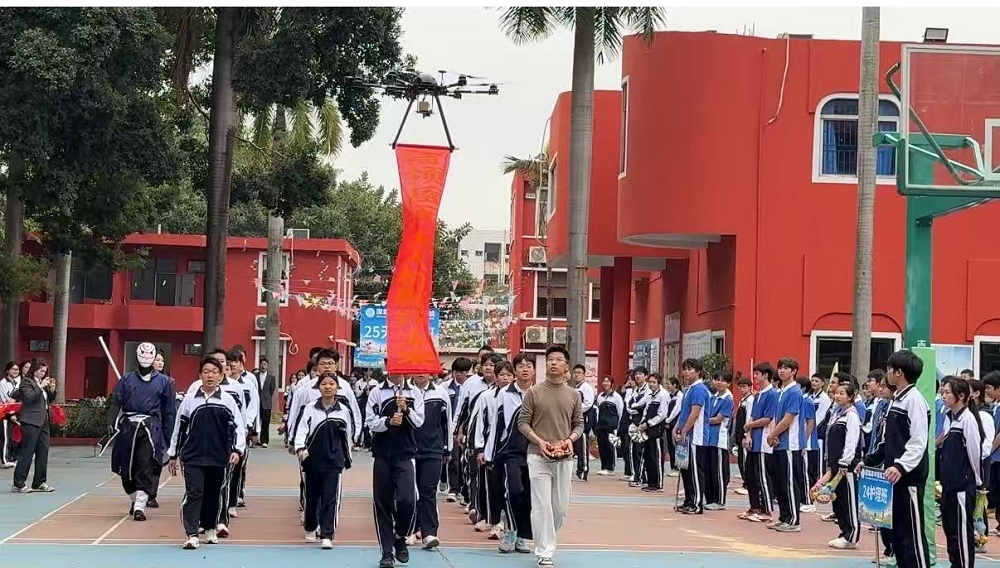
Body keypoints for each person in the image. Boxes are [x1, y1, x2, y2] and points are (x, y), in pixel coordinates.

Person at [168, 357, 246, 550]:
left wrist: (237, 450)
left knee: (213, 494)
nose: (210, 375)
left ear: (220, 375)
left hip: (219, 457)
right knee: (194, 493)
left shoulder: (228, 400)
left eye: (214, 372)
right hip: (192, 457)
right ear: (200, 375)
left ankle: (210, 528)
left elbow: (238, 427)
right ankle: (192, 534)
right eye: (206, 371)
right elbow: (179, 428)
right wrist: (173, 455)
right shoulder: (189, 400)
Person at [864, 349, 931, 568]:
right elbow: (889, 441)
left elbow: (918, 442)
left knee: (912, 535)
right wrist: (869, 460)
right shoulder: (896, 400)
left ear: (899, 372)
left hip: (909, 478)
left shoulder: (915, 401)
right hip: (894, 478)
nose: (888, 373)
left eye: (890, 369)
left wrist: (901, 466)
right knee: (899, 534)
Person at [517, 345, 583, 567]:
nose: (553, 362)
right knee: (541, 504)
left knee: (560, 508)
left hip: (564, 457)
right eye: (550, 359)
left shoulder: (573, 394)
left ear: (566, 366)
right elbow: (523, 423)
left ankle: (545, 537)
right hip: (537, 456)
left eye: (558, 359)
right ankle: (545, 551)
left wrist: (570, 440)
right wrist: (539, 441)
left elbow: (579, 424)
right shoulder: (534, 392)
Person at [106, 342, 177, 521]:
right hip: (128, 428)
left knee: (145, 466)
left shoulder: (164, 382)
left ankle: (140, 506)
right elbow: (116, 402)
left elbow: (169, 411)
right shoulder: (126, 380)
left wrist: (170, 438)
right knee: (126, 468)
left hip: (150, 429)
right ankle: (134, 499)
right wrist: (110, 421)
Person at [367, 371, 426, 568]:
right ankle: (386, 552)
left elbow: (419, 422)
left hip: (405, 454)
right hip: (382, 454)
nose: (397, 372)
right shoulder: (376, 392)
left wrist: (406, 410)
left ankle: (400, 535)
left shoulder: (414, 393)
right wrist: (388, 422)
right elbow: (370, 421)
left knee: (407, 500)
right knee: (382, 503)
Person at [293, 372, 353, 550]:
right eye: (324, 384)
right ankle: (311, 527)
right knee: (311, 497)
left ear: (337, 387)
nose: (328, 387)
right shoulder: (310, 408)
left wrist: (347, 458)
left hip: (334, 462)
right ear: (318, 387)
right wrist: (300, 448)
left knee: (330, 498)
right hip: (312, 461)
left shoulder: (343, 411)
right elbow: (302, 430)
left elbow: (347, 437)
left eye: (331, 384)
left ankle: (327, 534)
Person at [489, 354, 534, 554]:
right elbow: (496, 425)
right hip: (510, 452)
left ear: (534, 370)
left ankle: (522, 535)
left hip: (534, 452)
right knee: (513, 491)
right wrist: (490, 454)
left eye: (529, 366)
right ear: (515, 370)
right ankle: (510, 530)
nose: (525, 369)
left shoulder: (538, 393)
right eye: (521, 366)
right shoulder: (504, 394)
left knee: (529, 495)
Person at [938, 377, 982, 568]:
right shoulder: (949, 418)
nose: (943, 395)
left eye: (947, 392)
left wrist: (976, 480)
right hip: (948, 487)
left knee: (962, 532)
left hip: (962, 487)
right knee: (950, 530)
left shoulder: (968, 420)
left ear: (961, 396)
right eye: (942, 392)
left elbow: (974, 452)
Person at [814, 380, 861, 549]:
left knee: (849, 501)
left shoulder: (851, 416)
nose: (837, 396)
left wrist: (845, 462)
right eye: (836, 393)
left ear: (850, 397)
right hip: (835, 465)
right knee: (838, 501)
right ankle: (844, 532)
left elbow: (851, 441)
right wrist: (829, 466)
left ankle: (852, 536)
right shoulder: (837, 414)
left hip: (846, 467)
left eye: (842, 393)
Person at [410, 372, 452, 550]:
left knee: (428, 490)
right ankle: (410, 530)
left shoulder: (440, 393)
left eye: (424, 370)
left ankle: (429, 533)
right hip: (409, 450)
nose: (421, 374)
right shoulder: (405, 392)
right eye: (417, 370)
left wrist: (447, 449)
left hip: (433, 449)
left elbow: (447, 422)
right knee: (410, 493)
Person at [764, 357, 804, 532]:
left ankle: (794, 520)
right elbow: (776, 417)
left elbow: (788, 419)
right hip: (779, 442)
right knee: (780, 483)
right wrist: (774, 435)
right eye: (780, 367)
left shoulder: (794, 392)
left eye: (786, 368)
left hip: (790, 444)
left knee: (789, 483)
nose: (782, 370)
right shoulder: (780, 392)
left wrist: (772, 434)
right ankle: (784, 517)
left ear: (794, 371)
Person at [10, 357, 56, 493]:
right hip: (30, 420)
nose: (43, 373)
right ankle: (19, 482)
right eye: (41, 371)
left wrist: (51, 390)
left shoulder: (42, 382)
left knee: (43, 451)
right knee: (27, 451)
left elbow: (49, 399)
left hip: (43, 420)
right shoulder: (26, 382)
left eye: (45, 371)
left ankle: (39, 481)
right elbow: (28, 398)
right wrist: (40, 387)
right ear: (34, 370)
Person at [740, 362, 777, 523]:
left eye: (757, 374)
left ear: (766, 375)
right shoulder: (757, 395)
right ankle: (754, 507)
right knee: (750, 475)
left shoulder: (772, 394)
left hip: (764, 441)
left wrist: (749, 426)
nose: (754, 377)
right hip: (754, 440)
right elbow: (752, 417)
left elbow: (767, 418)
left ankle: (766, 509)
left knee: (763, 476)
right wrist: (748, 435)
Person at [674, 359, 710, 514]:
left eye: (689, 369)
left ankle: (696, 504)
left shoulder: (699, 389)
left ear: (698, 371)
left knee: (695, 470)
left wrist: (684, 431)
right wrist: (677, 428)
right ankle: (688, 501)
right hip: (686, 435)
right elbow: (684, 412)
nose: (686, 372)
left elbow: (695, 413)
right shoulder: (688, 389)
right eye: (685, 369)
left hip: (696, 436)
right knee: (686, 470)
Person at [442, 357, 472, 502]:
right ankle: (453, 488)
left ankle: (463, 487)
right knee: (453, 458)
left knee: (464, 459)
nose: (459, 374)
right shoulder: (445, 387)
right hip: (451, 427)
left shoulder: (471, 386)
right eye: (456, 371)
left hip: (467, 428)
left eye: (462, 372)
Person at [705, 372, 733, 509]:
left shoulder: (728, 399)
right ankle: (710, 499)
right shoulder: (713, 398)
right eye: (717, 379)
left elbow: (717, 419)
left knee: (719, 471)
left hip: (719, 440)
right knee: (709, 470)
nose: (719, 382)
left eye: (723, 380)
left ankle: (720, 501)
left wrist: (703, 421)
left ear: (728, 383)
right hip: (708, 439)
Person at [638, 373, 670, 493]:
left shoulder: (663, 395)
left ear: (658, 383)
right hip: (648, 431)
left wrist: (649, 423)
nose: (651, 384)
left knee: (656, 457)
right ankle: (651, 483)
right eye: (650, 382)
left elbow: (662, 414)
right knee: (648, 457)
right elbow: (646, 412)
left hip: (657, 431)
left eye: (654, 382)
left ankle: (658, 484)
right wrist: (642, 424)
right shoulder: (649, 395)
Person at [570, 364, 595, 482]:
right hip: (573, 421)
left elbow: (588, 404)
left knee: (582, 447)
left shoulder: (587, 388)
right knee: (575, 446)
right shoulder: (573, 388)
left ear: (584, 375)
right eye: (575, 373)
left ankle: (583, 471)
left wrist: (575, 410)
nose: (576, 375)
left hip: (584, 420)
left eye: (579, 373)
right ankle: (577, 471)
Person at [796, 376, 818, 514]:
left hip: (808, 444)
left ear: (803, 388)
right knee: (800, 472)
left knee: (806, 473)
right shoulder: (801, 400)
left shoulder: (807, 401)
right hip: (801, 443)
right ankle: (802, 498)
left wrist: (804, 440)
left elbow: (810, 423)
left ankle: (809, 501)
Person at [594, 376, 624, 476]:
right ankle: (604, 467)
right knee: (602, 446)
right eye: (604, 381)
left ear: (612, 384)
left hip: (611, 425)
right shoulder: (600, 396)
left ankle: (610, 468)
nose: (606, 383)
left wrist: (618, 426)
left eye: (608, 381)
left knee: (610, 446)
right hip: (601, 425)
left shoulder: (616, 397)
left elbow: (620, 412)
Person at [627, 367, 651, 485]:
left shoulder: (648, 389)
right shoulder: (635, 390)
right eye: (636, 374)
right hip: (634, 421)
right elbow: (629, 405)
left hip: (643, 422)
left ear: (645, 376)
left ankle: (642, 476)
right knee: (633, 449)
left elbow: (643, 404)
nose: (637, 376)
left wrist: (634, 406)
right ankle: (635, 474)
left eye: (640, 374)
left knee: (642, 450)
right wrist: (634, 407)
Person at [732, 376, 753, 495]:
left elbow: (749, 417)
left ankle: (748, 484)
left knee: (745, 460)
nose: (742, 389)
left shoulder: (750, 400)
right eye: (740, 387)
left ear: (749, 387)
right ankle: (745, 482)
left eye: (744, 387)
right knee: (741, 460)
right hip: (739, 433)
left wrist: (746, 434)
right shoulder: (742, 400)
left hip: (745, 434)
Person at [0, 361, 20, 469]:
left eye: (17, 369)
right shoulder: (3, 383)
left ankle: (9, 457)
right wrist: (11, 413)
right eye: (13, 369)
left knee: (11, 437)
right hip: (5, 413)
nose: (16, 371)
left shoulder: (16, 382)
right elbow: (6, 400)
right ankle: (4, 460)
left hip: (14, 412)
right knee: (5, 437)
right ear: (7, 370)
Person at [663, 376, 684, 476]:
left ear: (675, 385)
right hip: (668, 423)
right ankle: (673, 467)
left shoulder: (680, 396)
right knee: (670, 445)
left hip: (676, 423)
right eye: (666, 384)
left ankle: (678, 467)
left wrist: (668, 419)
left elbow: (676, 410)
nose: (667, 386)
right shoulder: (668, 396)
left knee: (676, 445)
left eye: (669, 384)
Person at [257, 357, 277, 448]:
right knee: (256, 422)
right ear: (259, 365)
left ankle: (264, 441)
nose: (263, 366)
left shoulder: (271, 378)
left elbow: (272, 390)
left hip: (266, 403)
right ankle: (255, 439)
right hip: (257, 402)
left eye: (265, 364)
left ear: (267, 366)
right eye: (261, 364)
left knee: (265, 422)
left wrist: (266, 397)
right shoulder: (255, 376)